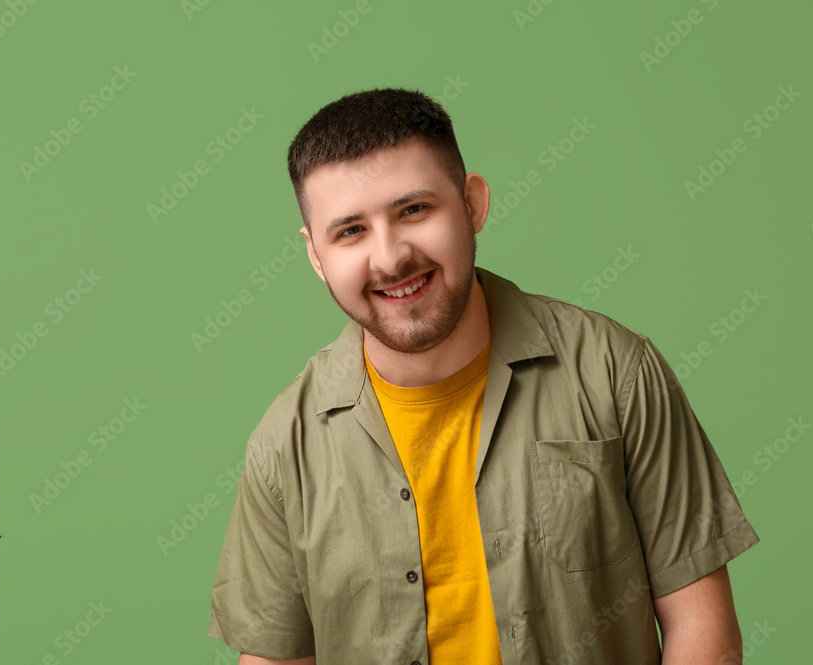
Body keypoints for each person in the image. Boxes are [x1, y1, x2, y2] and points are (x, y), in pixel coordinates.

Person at [207, 87, 760, 665]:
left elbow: (703, 629)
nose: (391, 257)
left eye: (413, 210)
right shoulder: (284, 446)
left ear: (472, 203)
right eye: (350, 231)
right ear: (316, 256)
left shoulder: (615, 372)